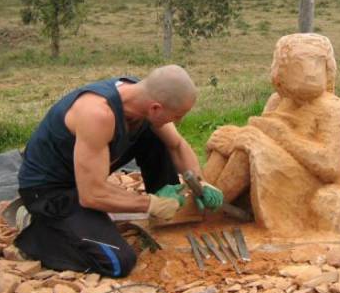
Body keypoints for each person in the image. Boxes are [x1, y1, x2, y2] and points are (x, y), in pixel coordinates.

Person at [14, 65, 224, 277]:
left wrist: (199, 182)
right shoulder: (98, 114)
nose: (178, 121)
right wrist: (150, 204)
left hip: (83, 176)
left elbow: (176, 145)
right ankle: (42, 232)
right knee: (118, 261)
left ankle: (169, 209)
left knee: (156, 137)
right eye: (177, 116)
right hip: (50, 190)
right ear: (156, 108)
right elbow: (91, 195)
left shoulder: (141, 96)